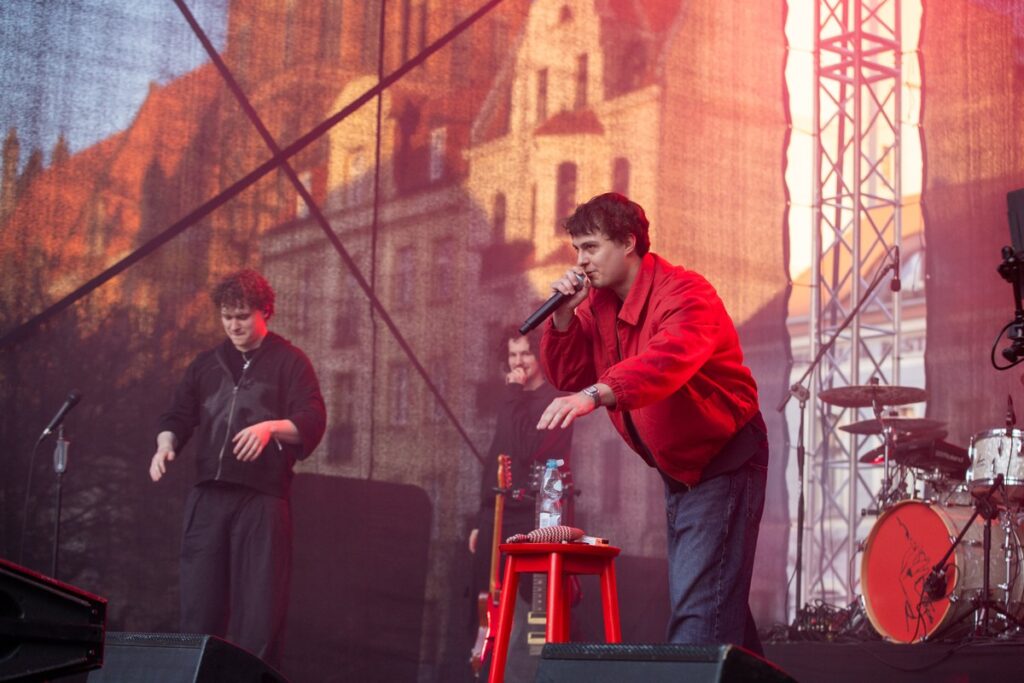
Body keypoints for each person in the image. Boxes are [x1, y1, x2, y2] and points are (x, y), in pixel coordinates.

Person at [536, 192, 768, 654]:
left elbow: (666, 361)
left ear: (627, 242)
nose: (580, 262)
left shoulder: (686, 293)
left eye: (590, 247)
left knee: (699, 615)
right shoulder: (599, 304)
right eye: (576, 249)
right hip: (679, 469)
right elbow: (570, 372)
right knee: (719, 605)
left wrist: (596, 395)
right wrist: (562, 314)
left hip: (722, 459)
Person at [149, 269, 326, 669]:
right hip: (209, 495)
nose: (234, 325)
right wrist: (165, 445)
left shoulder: (290, 361)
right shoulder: (205, 364)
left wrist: (269, 428)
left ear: (265, 312)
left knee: (259, 611)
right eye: (227, 317)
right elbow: (177, 415)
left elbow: (313, 417)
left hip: (261, 499)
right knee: (199, 606)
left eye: (242, 316)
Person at [469, 325, 574, 680]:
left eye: (525, 353)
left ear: (539, 356)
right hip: (497, 517)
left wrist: (513, 391)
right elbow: (497, 460)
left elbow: (524, 448)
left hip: (533, 520)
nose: (519, 362)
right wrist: (480, 519)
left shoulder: (551, 400)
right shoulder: (511, 399)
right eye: (512, 356)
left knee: (532, 616)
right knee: (490, 614)